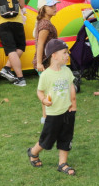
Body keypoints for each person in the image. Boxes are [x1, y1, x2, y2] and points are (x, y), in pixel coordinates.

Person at [26, 39, 77, 176]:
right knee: (47, 139)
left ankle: (62, 164)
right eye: (64, 53)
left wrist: (73, 104)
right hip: (53, 113)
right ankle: (33, 152)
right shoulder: (46, 75)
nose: (67, 56)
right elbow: (40, 91)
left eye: (67, 53)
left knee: (66, 137)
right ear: (54, 55)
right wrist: (43, 100)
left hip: (67, 111)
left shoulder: (67, 71)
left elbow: (71, 87)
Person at [34, 0, 59, 124]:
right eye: (51, 6)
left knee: (48, 89)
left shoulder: (44, 23)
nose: (55, 7)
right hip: (45, 63)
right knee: (48, 90)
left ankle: (47, 117)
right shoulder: (45, 25)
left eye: (55, 5)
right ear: (43, 8)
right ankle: (46, 117)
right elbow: (40, 44)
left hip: (48, 62)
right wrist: (39, 63)